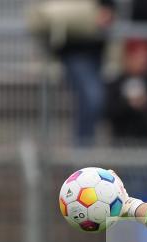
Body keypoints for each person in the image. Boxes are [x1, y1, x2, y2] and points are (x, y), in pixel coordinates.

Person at [52, 0, 116, 147]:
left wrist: (107, 13)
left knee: (89, 102)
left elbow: (110, 8)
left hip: (95, 51)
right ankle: (82, 150)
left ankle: (84, 148)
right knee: (92, 98)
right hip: (74, 51)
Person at [105, 39, 147, 142]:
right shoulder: (115, 84)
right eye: (139, 56)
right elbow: (109, 111)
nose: (144, 61)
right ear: (127, 57)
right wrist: (127, 103)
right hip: (121, 146)